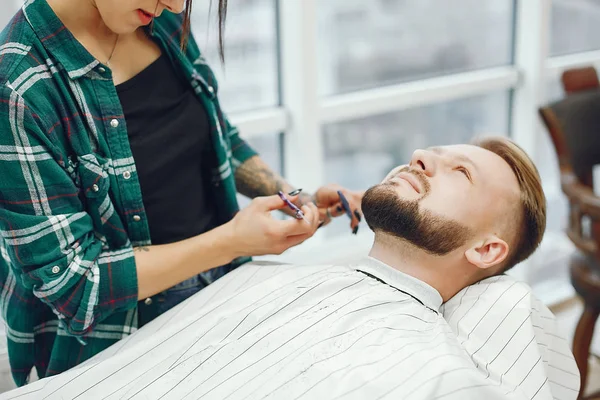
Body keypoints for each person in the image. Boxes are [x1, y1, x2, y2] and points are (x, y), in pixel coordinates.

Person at [1, 137, 577, 400]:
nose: (423, 155)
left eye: (461, 173)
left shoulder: (431, 368)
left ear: (486, 252)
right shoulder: (264, 276)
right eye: (437, 152)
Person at [0, 0, 364, 386]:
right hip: (117, 355)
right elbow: (77, 285)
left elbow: (218, 139)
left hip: (223, 301)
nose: (174, 4)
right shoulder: (18, 88)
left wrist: (295, 198)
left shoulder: (160, 19)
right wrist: (232, 242)